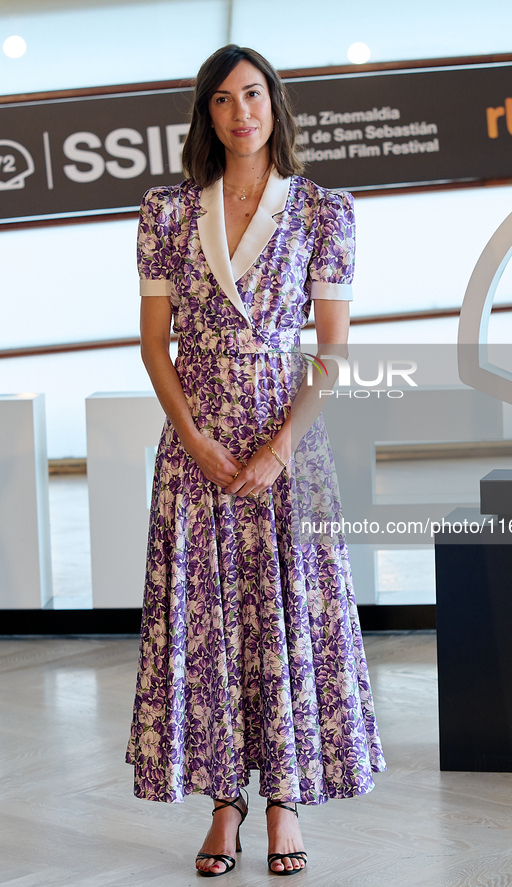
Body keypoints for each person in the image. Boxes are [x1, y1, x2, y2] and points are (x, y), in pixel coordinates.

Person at [125, 43, 386, 878]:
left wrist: (278, 450)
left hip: (288, 449)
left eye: (254, 95)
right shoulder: (167, 210)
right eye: (224, 100)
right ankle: (222, 803)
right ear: (207, 114)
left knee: (285, 623)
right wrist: (195, 439)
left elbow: (334, 353)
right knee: (208, 626)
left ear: (275, 104)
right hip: (194, 448)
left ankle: (284, 801)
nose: (242, 112)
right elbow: (154, 346)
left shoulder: (322, 210)